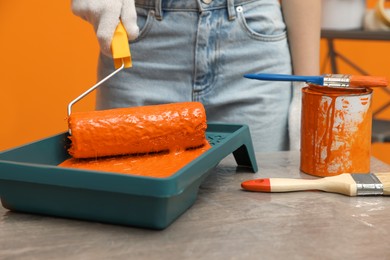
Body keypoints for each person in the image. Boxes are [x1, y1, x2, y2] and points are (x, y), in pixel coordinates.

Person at [71, 0, 321, 152]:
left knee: (258, 219)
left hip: (252, 44)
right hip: (142, 39)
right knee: (125, 207)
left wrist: (306, 89)